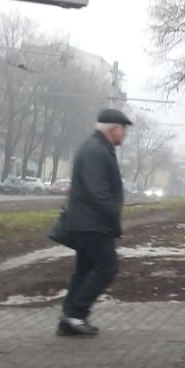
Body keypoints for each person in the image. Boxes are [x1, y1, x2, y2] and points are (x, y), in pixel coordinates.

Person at [57, 108, 132, 337]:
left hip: (87, 222)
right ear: (114, 129)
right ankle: (76, 315)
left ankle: (69, 318)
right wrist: (112, 215)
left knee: (86, 269)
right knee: (106, 267)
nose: (125, 135)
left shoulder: (96, 148)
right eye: (124, 130)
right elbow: (97, 191)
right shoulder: (96, 151)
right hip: (93, 223)